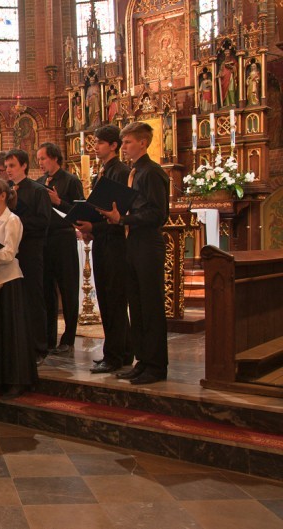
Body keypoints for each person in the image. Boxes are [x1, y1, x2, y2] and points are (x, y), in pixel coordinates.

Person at [99, 121, 170, 385]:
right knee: (137, 306)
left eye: (128, 142)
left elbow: (158, 213)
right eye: (123, 142)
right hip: (131, 244)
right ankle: (143, 361)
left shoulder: (151, 173)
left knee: (150, 306)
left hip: (147, 244)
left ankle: (156, 365)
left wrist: (123, 220)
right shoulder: (134, 172)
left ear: (143, 142)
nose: (125, 146)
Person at [75, 125, 131, 374]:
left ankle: (116, 355)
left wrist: (93, 227)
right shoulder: (103, 172)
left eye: (99, 142)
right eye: (94, 142)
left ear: (114, 146)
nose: (95, 146)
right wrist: (88, 227)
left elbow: (117, 214)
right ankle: (119, 351)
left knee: (114, 299)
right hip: (103, 241)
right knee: (107, 299)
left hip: (115, 243)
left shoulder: (120, 172)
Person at [0, 179, 37, 397]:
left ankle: (16, 379)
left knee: (11, 332)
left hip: (10, 280)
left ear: (3, 195)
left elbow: (9, 253)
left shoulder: (12, 220)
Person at [36, 142, 83, 354]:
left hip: (64, 238)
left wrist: (58, 202)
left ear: (55, 158)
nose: (41, 163)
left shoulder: (70, 181)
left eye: (43, 158)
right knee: (47, 290)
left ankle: (68, 338)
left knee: (68, 288)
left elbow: (80, 211)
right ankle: (48, 337)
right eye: (38, 160)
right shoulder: (38, 182)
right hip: (45, 239)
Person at [4, 149, 51, 360]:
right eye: (6, 167)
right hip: (11, 252)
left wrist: (16, 222)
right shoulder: (6, 191)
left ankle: (39, 347)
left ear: (24, 166)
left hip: (31, 250)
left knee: (33, 297)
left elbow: (43, 221)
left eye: (12, 166)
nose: (8, 170)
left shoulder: (37, 190)